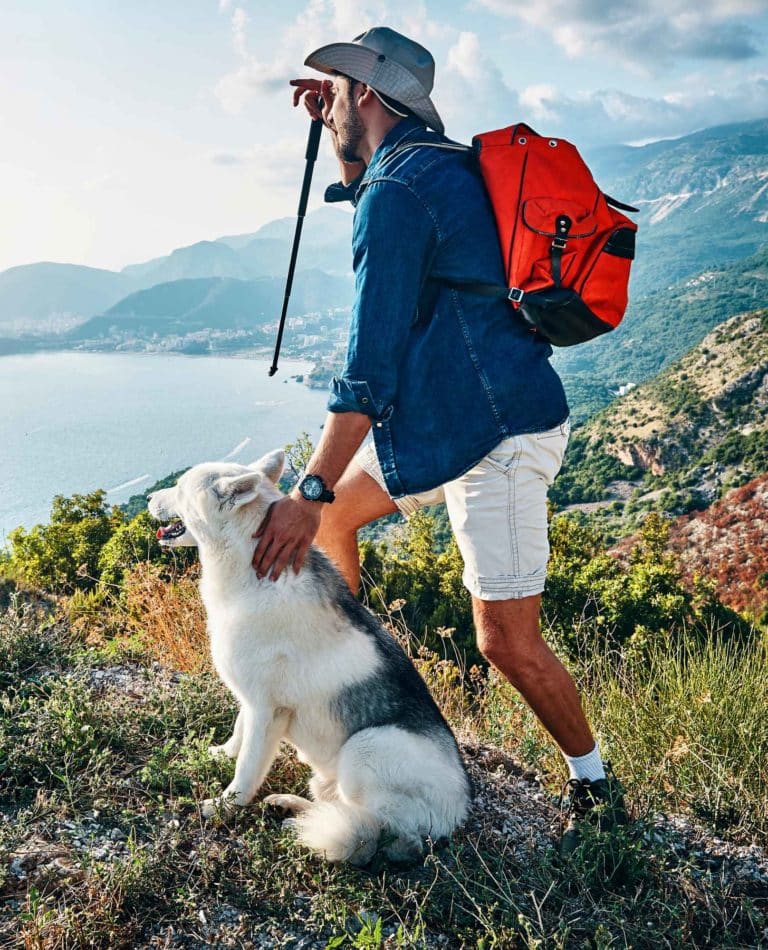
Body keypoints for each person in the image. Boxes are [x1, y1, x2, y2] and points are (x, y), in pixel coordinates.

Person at [252, 26, 627, 855]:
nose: (330, 103)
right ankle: (341, 701)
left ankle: (596, 782)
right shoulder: (437, 167)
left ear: (371, 97)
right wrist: (339, 147)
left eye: (340, 93)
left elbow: (369, 366)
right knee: (346, 521)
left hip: (498, 431)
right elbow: (386, 216)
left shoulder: (402, 192)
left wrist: (305, 492)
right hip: (444, 418)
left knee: (505, 641)